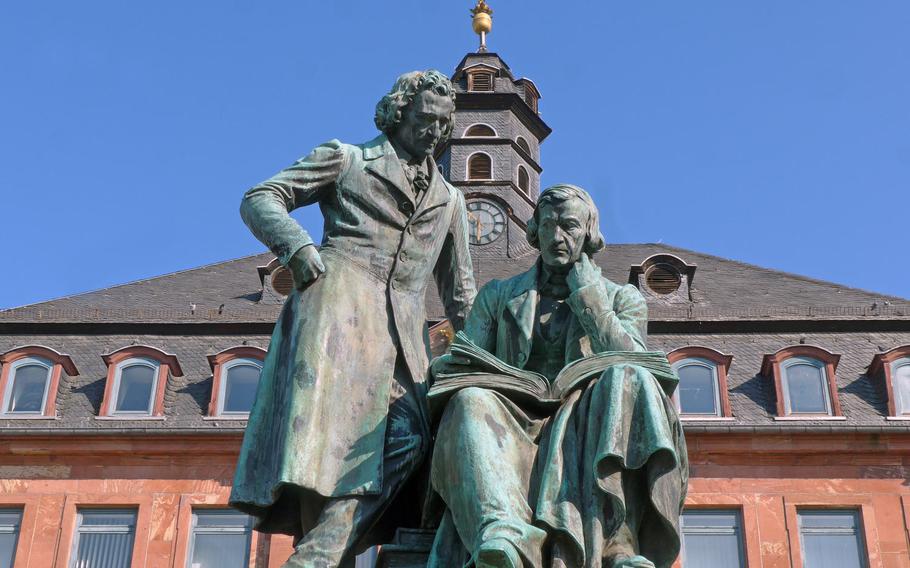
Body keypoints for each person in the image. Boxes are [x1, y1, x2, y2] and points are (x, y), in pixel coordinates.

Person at [230, 70, 476, 567]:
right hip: (337, 310)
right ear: (398, 112)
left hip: (407, 336)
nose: (434, 132)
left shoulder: (451, 200)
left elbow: (461, 294)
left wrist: (492, 354)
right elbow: (260, 197)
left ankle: (319, 552)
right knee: (330, 445)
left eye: (442, 124)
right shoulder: (348, 160)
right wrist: (297, 247)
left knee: (410, 438)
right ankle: (324, 555)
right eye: (426, 119)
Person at [428, 185, 687, 568]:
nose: (556, 237)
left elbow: (639, 362)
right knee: (469, 399)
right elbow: (462, 360)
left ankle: (619, 542)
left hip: (587, 418)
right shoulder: (499, 295)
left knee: (627, 377)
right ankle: (503, 534)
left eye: (568, 225)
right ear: (533, 230)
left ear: (589, 233)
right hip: (511, 418)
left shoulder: (621, 298)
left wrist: (589, 299)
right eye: (547, 225)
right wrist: (448, 365)